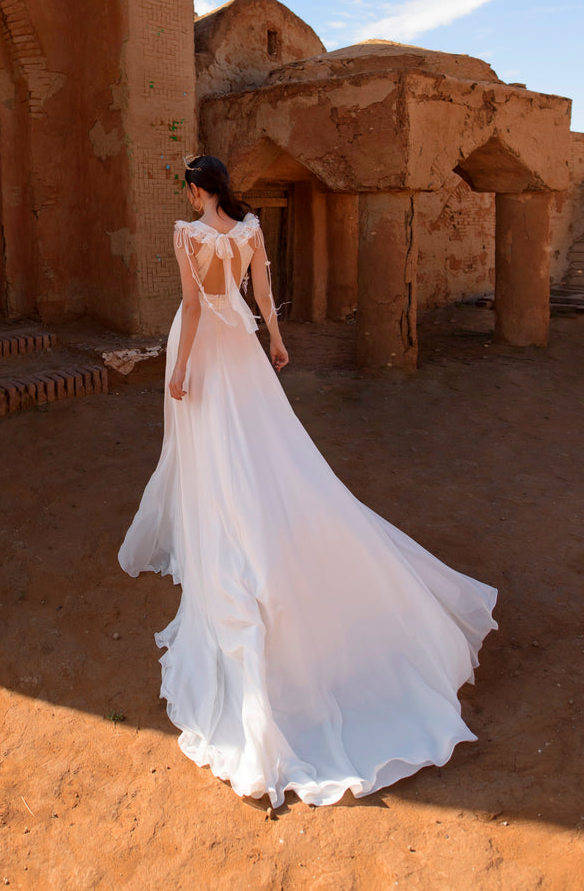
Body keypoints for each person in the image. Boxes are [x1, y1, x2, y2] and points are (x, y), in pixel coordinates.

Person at [118, 155, 497, 809]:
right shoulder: (251, 230)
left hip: (206, 342)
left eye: (188, 184)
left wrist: (178, 369)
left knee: (215, 449)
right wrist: (277, 341)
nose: (186, 193)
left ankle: (227, 536)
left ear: (197, 189)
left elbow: (192, 303)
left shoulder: (189, 235)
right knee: (265, 444)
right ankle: (262, 519)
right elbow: (259, 294)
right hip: (241, 344)